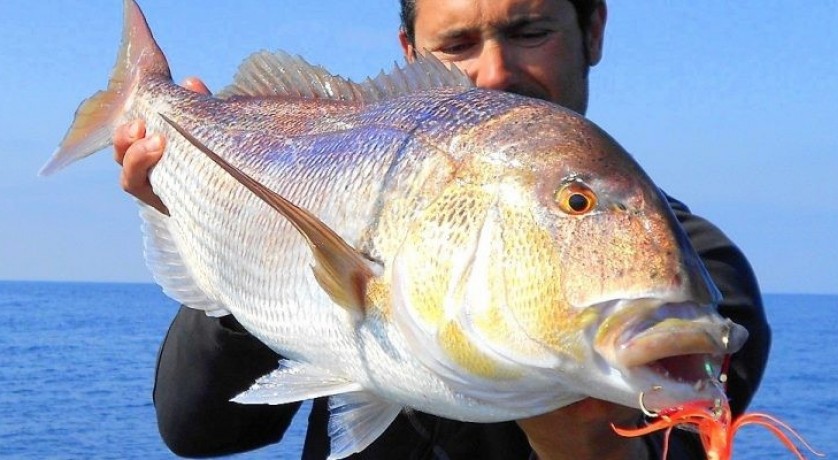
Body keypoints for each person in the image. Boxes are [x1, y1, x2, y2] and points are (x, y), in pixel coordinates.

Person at [114, 0, 771, 458]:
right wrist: (222, 235)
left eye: (530, 30)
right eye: (455, 45)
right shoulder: (356, 179)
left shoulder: (699, 272)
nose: (494, 72)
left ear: (593, 28)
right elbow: (197, 432)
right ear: (409, 56)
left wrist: (590, 446)